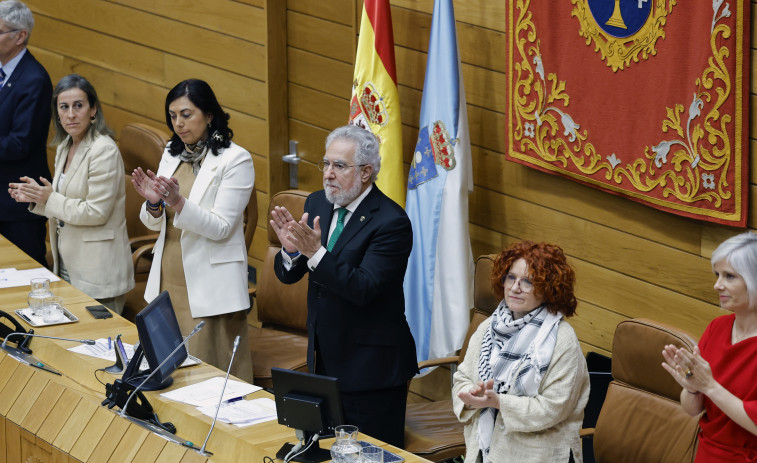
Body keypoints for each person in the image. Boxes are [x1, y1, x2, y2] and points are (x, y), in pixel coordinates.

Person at [271, 125, 417, 448]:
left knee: (368, 455)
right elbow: (289, 275)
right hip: (324, 360)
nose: (328, 174)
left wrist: (315, 253)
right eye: (325, 164)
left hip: (372, 372)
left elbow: (363, 287)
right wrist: (292, 252)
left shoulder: (391, 223)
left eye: (339, 166)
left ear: (366, 173)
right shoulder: (317, 202)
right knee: (325, 453)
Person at [131, 79, 254, 383]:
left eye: (186, 114)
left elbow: (222, 228)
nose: (178, 124)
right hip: (169, 276)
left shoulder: (236, 159)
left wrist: (179, 202)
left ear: (209, 114)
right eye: (172, 116)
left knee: (207, 378)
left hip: (209, 283)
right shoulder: (172, 154)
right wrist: (155, 204)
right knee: (167, 369)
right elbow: (153, 222)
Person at [452, 241, 589, 463]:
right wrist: (472, 394)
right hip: (484, 450)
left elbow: (553, 408)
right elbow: (462, 378)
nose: (515, 287)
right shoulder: (489, 326)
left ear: (548, 289)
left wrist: (498, 402)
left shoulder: (563, 340)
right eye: (511, 277)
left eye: (528, 281)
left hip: (538, 455)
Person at [8, 74, 134, 313]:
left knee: (98, 347)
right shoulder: (65, 146)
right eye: (63, 107)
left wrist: (49, 198)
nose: (71, 114)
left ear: (93, 110)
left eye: (79, 106)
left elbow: (95, 212)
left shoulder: (103, 150)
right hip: (67, 262)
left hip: (98, 273)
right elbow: (64, 204)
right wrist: (37, 198)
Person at [662, 232, 757, 462]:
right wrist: (693, 388)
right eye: (717, 275)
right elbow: (693, 410)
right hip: (706, 453)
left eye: (729, 276)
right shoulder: (717, 327)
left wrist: (709, 386)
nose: (717, 285)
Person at [0, 0, 52, 266]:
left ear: (20, 36)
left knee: (23, 276)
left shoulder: (34, 79)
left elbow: (19, 143)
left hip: (17, 205)